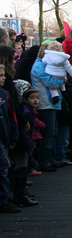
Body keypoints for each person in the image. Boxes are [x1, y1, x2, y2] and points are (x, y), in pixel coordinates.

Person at [31, 44, 65, 172]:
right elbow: (50, 82)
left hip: (51, 103)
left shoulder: (43, 64)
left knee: (53, 133)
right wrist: (61, 80)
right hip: (46, 103)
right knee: (49, 134)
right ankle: (45, 161)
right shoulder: (39, 66)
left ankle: (51, 159)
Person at [0, 64, 20, 213]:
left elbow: (12, 116)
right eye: (1, 76)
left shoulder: (5, 94)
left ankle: (3, 199)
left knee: (4, 170)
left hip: (4, 138)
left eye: (3, 75)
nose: (3, 78)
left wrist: (13, 136)